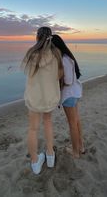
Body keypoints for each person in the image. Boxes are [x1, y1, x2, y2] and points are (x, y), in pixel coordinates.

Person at [22, 27, 63, 174]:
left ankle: (35, 162)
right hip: (49, 97)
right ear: (50, 38)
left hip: (34, 97)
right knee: (48, 123)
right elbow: (59, 75)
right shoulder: (56, 54)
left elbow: (28, 73)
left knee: (33, 129)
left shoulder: (31, 53)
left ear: (37, 38)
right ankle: (50, 156)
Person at [52, 34, 85, 158]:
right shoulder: (68, 57)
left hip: (69, 95)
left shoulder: (63, 60)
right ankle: (81, 147)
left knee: (72, 124)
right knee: (76, 121)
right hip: (75, 92)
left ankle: (75, 152)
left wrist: (57, 82)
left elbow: (68, 80)